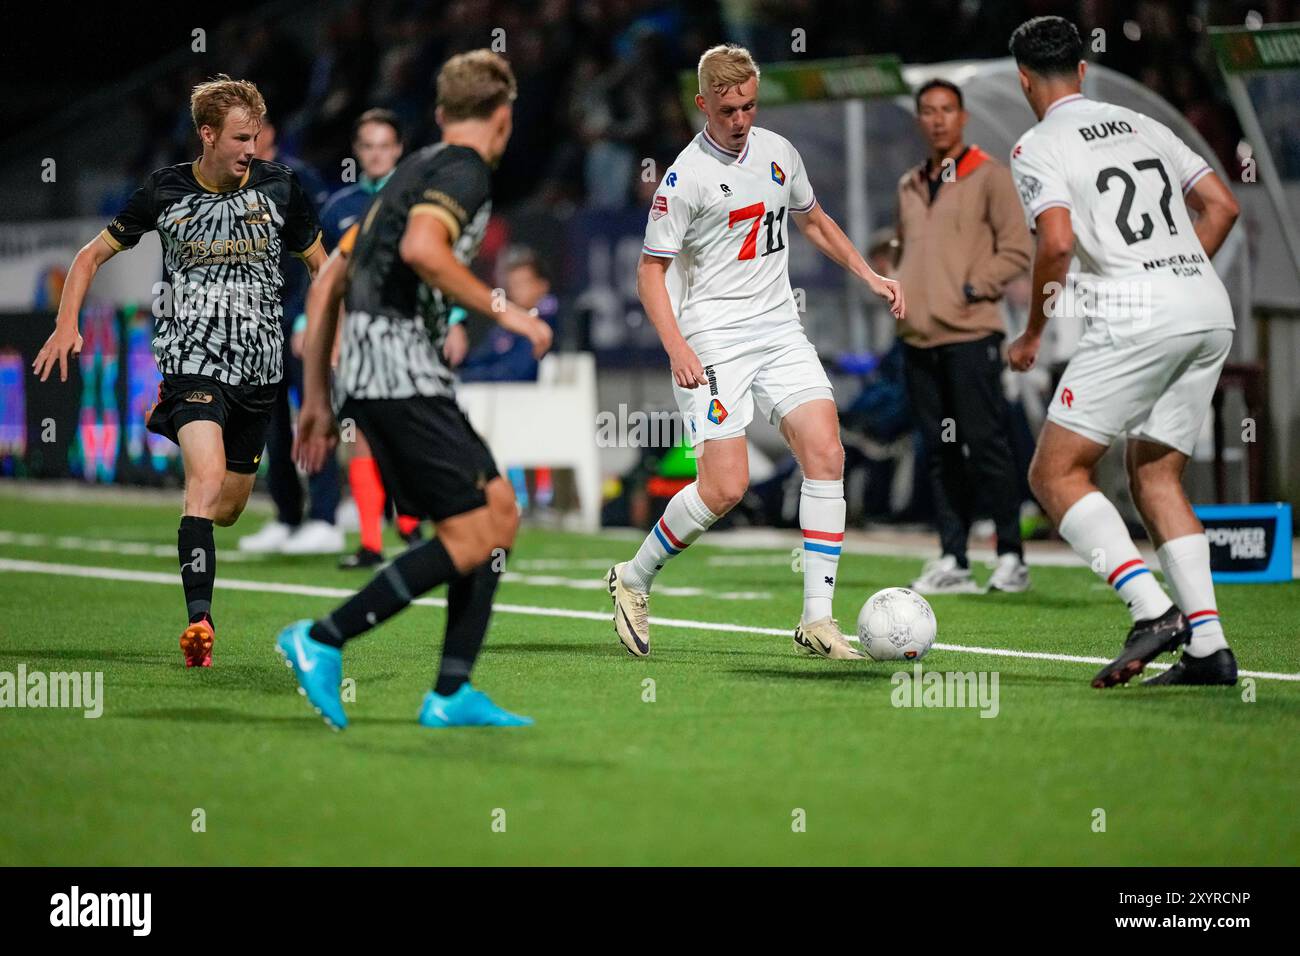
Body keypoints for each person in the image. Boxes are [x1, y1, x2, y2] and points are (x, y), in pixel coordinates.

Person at [275, 50, 553, 729]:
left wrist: (316, 398)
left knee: (499, 512)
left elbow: (330, 278)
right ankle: (322, 638)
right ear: (505, 118)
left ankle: (452, 693)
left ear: (437, 115)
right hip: (398, 367)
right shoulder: (463, 171)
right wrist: (508, 312)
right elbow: (423, 251)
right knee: (467, 536)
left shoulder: (411, 171)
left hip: (380, 370)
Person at [605, 44, 904, 660]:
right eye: (727, 110)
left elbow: (814, 220)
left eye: (748, 106)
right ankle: (634, 578)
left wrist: (869, 275)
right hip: (713, 337)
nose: (740, 120)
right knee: (724, 488)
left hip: (779, 329)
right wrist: (677, 345)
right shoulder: (684, 178)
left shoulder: (778, 153)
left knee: (826, 451)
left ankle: (818, 618)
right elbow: (648, 273)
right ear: (702, 104)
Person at [33, 75, 326, 667]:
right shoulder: (164, 190)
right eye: (242, 139)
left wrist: (332, 329)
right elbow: (91, 255)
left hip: (260, 370)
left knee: (229, 506)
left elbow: (323, 266)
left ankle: (170, 421)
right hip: (192, 361)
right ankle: (200, 623)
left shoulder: (280, 187)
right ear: (208, 135)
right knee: (206, 482)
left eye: (258, 138)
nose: (252, 150)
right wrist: (68, 324)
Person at [1005, 16, 1241, 687]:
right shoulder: (1142, 121)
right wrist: (1180, 275)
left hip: (1140, 313)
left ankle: (1152, 610)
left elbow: (1054, 243)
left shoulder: (1036, 146)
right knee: (1156, 475)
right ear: (1082, 71)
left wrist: (1031, 333)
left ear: (1025, 80)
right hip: (1206, 304)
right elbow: (1222, 206)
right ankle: (1210, 649)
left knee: (1055, 473)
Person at [895, 78, 1033, 595]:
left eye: (946, 110)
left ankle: (1011, 556)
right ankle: (953, 556)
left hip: (971, 334)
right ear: (919, 119)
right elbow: (907, 248)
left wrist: (974, 287)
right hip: (918, 339)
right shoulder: (909, 182)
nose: (937, 119)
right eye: (928, 111)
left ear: (963, 116)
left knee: (986, 445)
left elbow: (1018, 249)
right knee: (937, 451)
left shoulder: (990, 175)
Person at [314, 107, 424, 570]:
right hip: (357, 332)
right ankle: (371, 543)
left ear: (398, 149)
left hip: (408, 329)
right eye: (368, 146)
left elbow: (440, 264)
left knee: (406, 429)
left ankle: (412, 524)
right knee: (357, 433)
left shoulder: (418, 200)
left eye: (385, 145)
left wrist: (454, 318)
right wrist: (313, 328)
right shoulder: (339, 208)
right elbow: (321, 275)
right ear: (358, 152)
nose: (377, 155)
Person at [236, 117, 344, 557]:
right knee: (269, 422)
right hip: (256, 320)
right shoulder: (229, 185)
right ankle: (286, 515)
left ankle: (324, 517)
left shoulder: (299, 178)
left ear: (272, 133)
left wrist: (308, 316)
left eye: (251, 133)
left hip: (299, 318)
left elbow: (320, 250)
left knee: (314, 414)